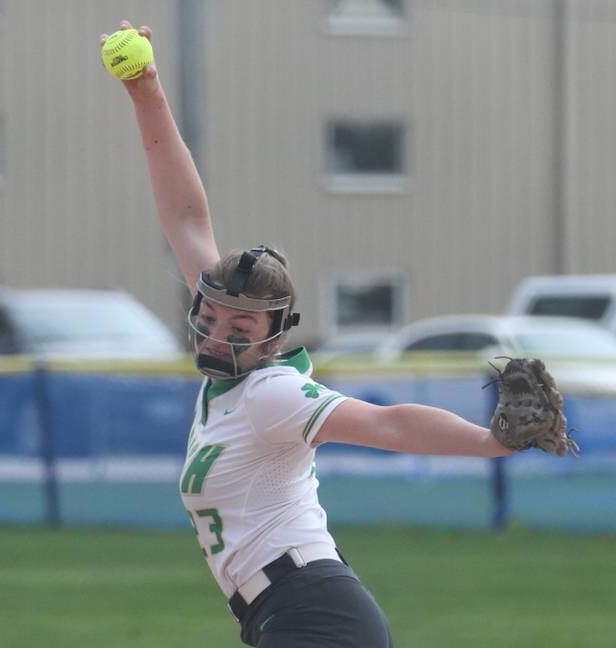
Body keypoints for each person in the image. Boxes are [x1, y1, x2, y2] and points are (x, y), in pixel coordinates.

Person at [99, 21, 514, 648]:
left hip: (315, 615)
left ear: (274, 336)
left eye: (242, 328)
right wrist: (145, 90)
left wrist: (493, 441)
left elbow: (389, 424)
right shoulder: (235, 385)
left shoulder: (272, 394)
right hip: (284, 614)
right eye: (211, 317)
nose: (218, 335)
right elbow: (185, 215)